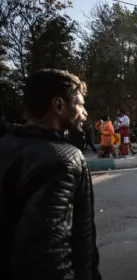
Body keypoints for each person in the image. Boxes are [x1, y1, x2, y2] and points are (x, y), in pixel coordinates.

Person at [0, 69, 101, 279]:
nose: (85, 113)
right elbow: (50, 253)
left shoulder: (6, 144)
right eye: (80, 104)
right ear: (58, 106)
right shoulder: (63, 159)